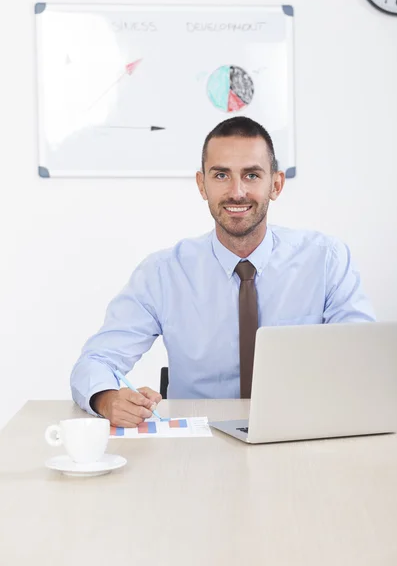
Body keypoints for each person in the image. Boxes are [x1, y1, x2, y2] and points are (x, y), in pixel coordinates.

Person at [70, 116, 375, 426]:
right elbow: (95, 361)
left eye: (252, 175)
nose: (237, 192)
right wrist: (107, 400)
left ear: (276, 184)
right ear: (202, 185)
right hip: (198, 444)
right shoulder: (162, 273)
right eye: (221, 175)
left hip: (300, 433)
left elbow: (364, 358)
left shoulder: (325, 260)